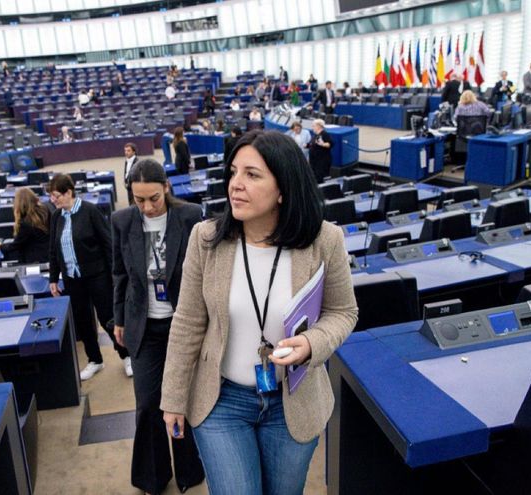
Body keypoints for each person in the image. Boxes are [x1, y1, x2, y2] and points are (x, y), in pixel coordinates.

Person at [160, 130, 358, 495]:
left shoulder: (324, 240)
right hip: (222, 401)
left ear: (283, 187)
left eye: (252, 175)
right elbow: (186, 323)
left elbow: (343, 312)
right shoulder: (206, 239)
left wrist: (312, 343)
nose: (236, 184)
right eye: (233, 172)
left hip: (293, 403)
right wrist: (172, 398)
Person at [112, 159, 206, 494]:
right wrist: (119, 318)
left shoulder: (191, 216)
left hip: (184, 325)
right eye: (140, 200)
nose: (148, 207)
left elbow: (205, 272)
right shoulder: (122, 221)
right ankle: (153, 477)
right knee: (148, 405)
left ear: (166, 187)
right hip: (144, 327)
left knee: (185, 401)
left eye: (153, 197)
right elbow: (120, 275)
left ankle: (190, 473)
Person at [48, 174, 130, 380]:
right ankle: (95, 360)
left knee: (108, 318)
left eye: (56, 196)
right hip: (72, 279)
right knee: (83, 322)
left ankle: (126, 356)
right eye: (51, 197)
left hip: (97, 276)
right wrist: (53, 278)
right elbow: (53, 250)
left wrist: (115, 276)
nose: (53, 200)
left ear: (69, 192)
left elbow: (108, 245)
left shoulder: (90, 211)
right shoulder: (56, 217)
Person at [0, 187, 50, 264]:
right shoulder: (45, 211)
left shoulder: (26, 223)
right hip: (49, 256)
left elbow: (16, 245)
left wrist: (0, 246)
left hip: (36, 261)